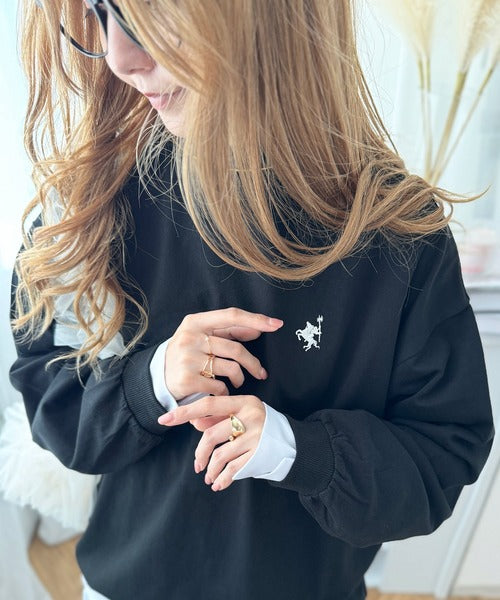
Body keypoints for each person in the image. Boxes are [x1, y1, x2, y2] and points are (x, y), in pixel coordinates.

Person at [9, 1, 494, 599]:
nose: (118, 58)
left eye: (150, 11)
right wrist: (151, 382)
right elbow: (51, 402)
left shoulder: (399, 236)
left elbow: (442, 458)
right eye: (100, 12)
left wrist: (298, 452)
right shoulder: (92, 205)